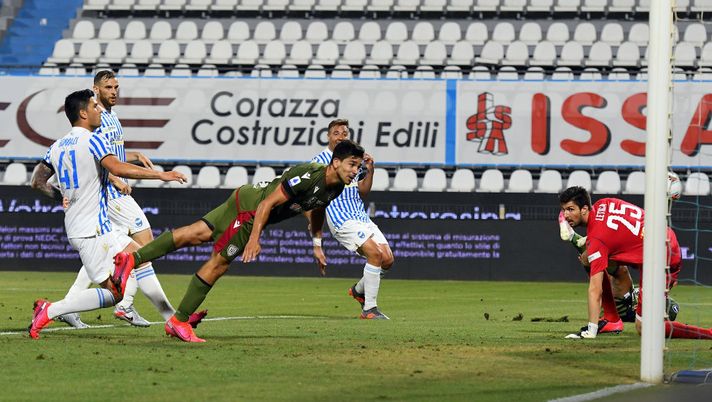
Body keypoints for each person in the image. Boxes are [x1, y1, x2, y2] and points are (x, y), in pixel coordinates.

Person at [113, 139, 366, 342]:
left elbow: (318, 209)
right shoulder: (311, 175)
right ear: (335, 162)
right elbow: (267, 203)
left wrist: (317, 243)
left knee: (194, 233)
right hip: (251, 212)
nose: (355, 171)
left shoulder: (336, 187)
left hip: (245, 198)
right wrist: (255, 237)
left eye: (358, 167)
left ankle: (131, 259)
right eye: (351, 164)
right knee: (220, 263)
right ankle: (179, 321)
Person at [28, 89, 187, 339]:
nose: (99, 109)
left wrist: (62, 197)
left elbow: (37, 182)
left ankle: (174, 320)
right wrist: (161, 174)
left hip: (95, 226)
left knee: (142, 258)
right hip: (91, 232)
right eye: (94, 106)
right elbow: (116, 167)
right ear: (83, 113)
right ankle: (51, 310)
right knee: (116, 294)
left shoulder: (56, 146)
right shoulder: (93, 139)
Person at [56, 70, 168, 328]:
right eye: (108, 87)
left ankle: (71, 305)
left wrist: (133, 154)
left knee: (108, 252)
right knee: (144, 248)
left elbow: (112, 152)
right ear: (96, 90)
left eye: (116, 86)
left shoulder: (111, 116)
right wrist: (116, 178)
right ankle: (126, 305)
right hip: (112, 194)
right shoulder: (97, 118)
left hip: (114, 192)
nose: (114, 91)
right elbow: (97, 157)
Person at [558, 186, 712, 339]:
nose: (566, 215)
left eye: (571, 209)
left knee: (644, 328)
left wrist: (591, 330)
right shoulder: (604, 203)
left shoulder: (598, 239)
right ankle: (613, 319)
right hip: (659, 238)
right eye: (564, 210)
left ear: (584, 209)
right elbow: (615, 231)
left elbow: (595, 289)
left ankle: (708, 333)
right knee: (588, 258)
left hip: (662, 257)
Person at [311, 119, 394, 319]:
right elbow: (315, 198)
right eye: (336, 133)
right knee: (374, 254)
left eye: (344, 133)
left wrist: (370, 169)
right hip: (341, 217)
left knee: (388, 260)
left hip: (360, 215)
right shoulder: (319, 161)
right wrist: (317, 241)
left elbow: (363, 191)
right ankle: (369, 310)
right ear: (328, 136)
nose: (340, 136)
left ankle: (358, 291)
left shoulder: (354, 158)